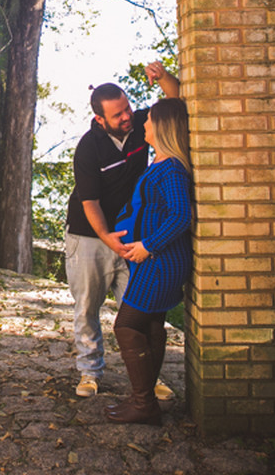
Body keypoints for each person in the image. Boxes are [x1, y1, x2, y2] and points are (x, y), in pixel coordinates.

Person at [66, 62, 179, 398]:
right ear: (100, 119)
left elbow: (176, 100)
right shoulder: (89, 147)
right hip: (89, 235)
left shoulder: (142, 122)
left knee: (141, 306)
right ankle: (89, 373)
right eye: (117, 115)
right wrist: (108, 240)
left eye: (127, 108)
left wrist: (163, 78)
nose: (127, 117)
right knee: (87, 306)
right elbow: (90, 203)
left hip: (132, 233)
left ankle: (148, 377)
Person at [103, 98, 193, 424]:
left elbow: (182, 214)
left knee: (126, 326)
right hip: (154, 260)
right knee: (152, 325)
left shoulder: (171, 169)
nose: (144, 125)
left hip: (160, 262)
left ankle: (144, 404)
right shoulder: (161, 162)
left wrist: (149, 246)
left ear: (163, 127)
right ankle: (145, 399)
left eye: (150, 120)